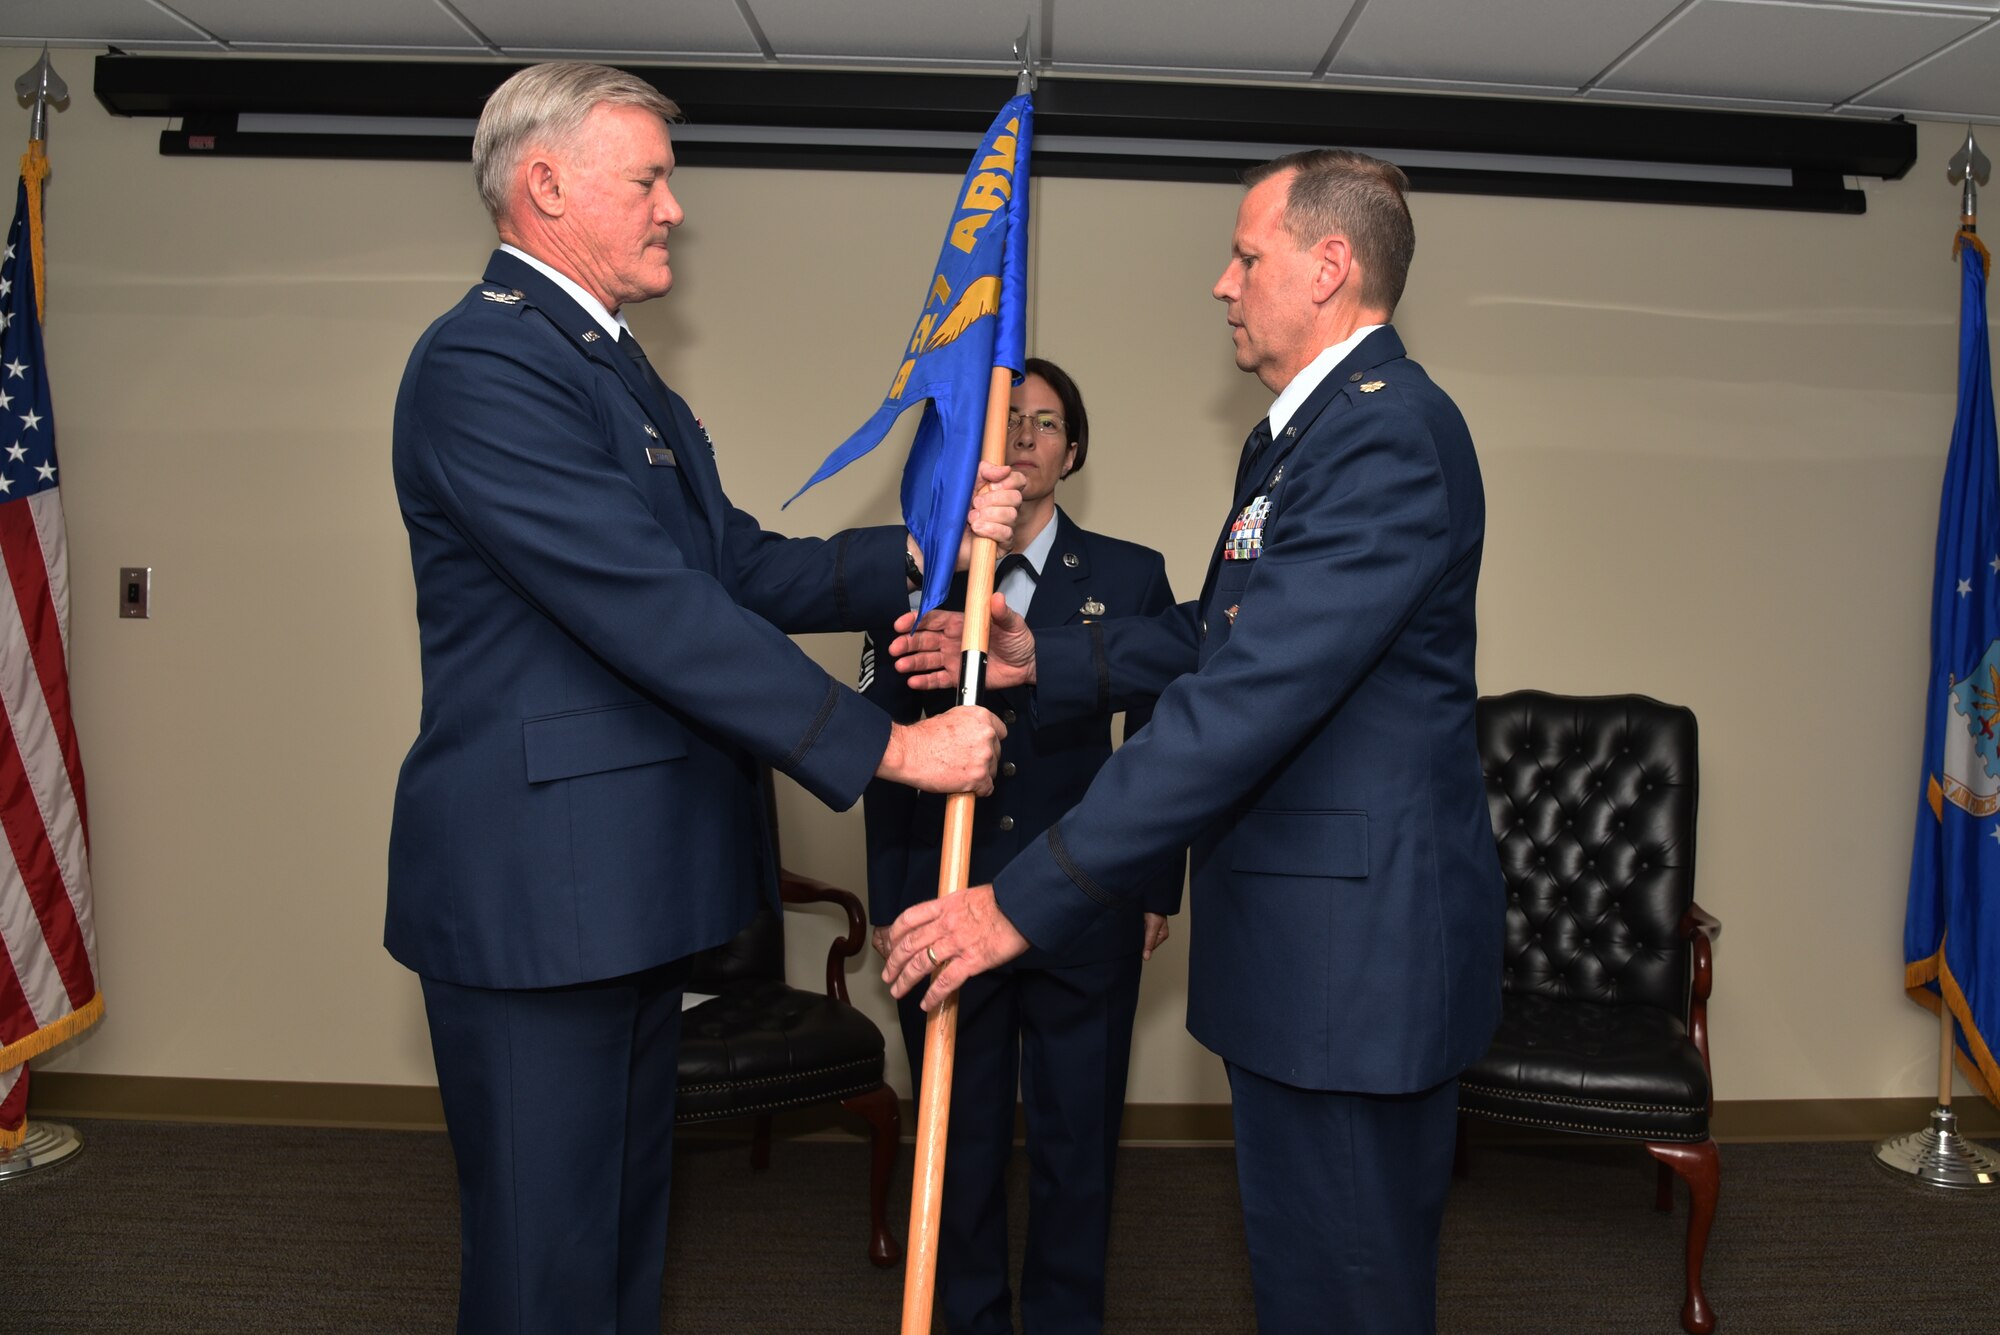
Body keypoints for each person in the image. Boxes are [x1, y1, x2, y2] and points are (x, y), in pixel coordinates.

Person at [385, 62, 1023, 1335]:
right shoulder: (483, 363)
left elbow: (722, 563)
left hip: (614, 894)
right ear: (545, 184)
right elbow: (648, 608)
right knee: (542, 1272)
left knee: (614, 1243)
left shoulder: (606, 364)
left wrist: (922, 543)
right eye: (651, 178)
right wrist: (889, 752)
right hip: (538, 899)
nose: (674, 208)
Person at [879, 150, 1504, 1334]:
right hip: (1302, 954)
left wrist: (1019, 900)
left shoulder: (1382, 438)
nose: (1222, 282)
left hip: (1350, 972)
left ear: (1328, 268)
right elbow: (1216, 636)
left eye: (1247, 256)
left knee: (1346, 1293)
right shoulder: (1297, 440)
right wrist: (1040, 660)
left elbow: (1242, 703)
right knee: (1306, 1279)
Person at [859, 357, 1183, 1335]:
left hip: (1085, 900)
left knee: (1074, 1144)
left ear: (1071, 451)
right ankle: (965, 1316)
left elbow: (1170, 740)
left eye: (1043, 424)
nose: (1023, 442)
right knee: (953, 1144)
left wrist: (1155, 890)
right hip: (941, 890)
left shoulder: (1128, 575)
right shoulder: (919, 568)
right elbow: (880, 746)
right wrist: (884, 898)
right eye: (1006, 425)